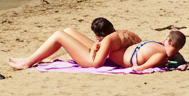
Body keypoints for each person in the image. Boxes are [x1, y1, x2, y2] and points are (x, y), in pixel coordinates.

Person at [9, 17, 141, 70]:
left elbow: (96, 64)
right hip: (107, 54)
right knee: (68, 31)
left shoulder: (107, 41)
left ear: (97, 36)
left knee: (59, 35)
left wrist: (94, 51)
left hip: (94, 61)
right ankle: (31, 58)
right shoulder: (126, 34)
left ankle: (28, 62)